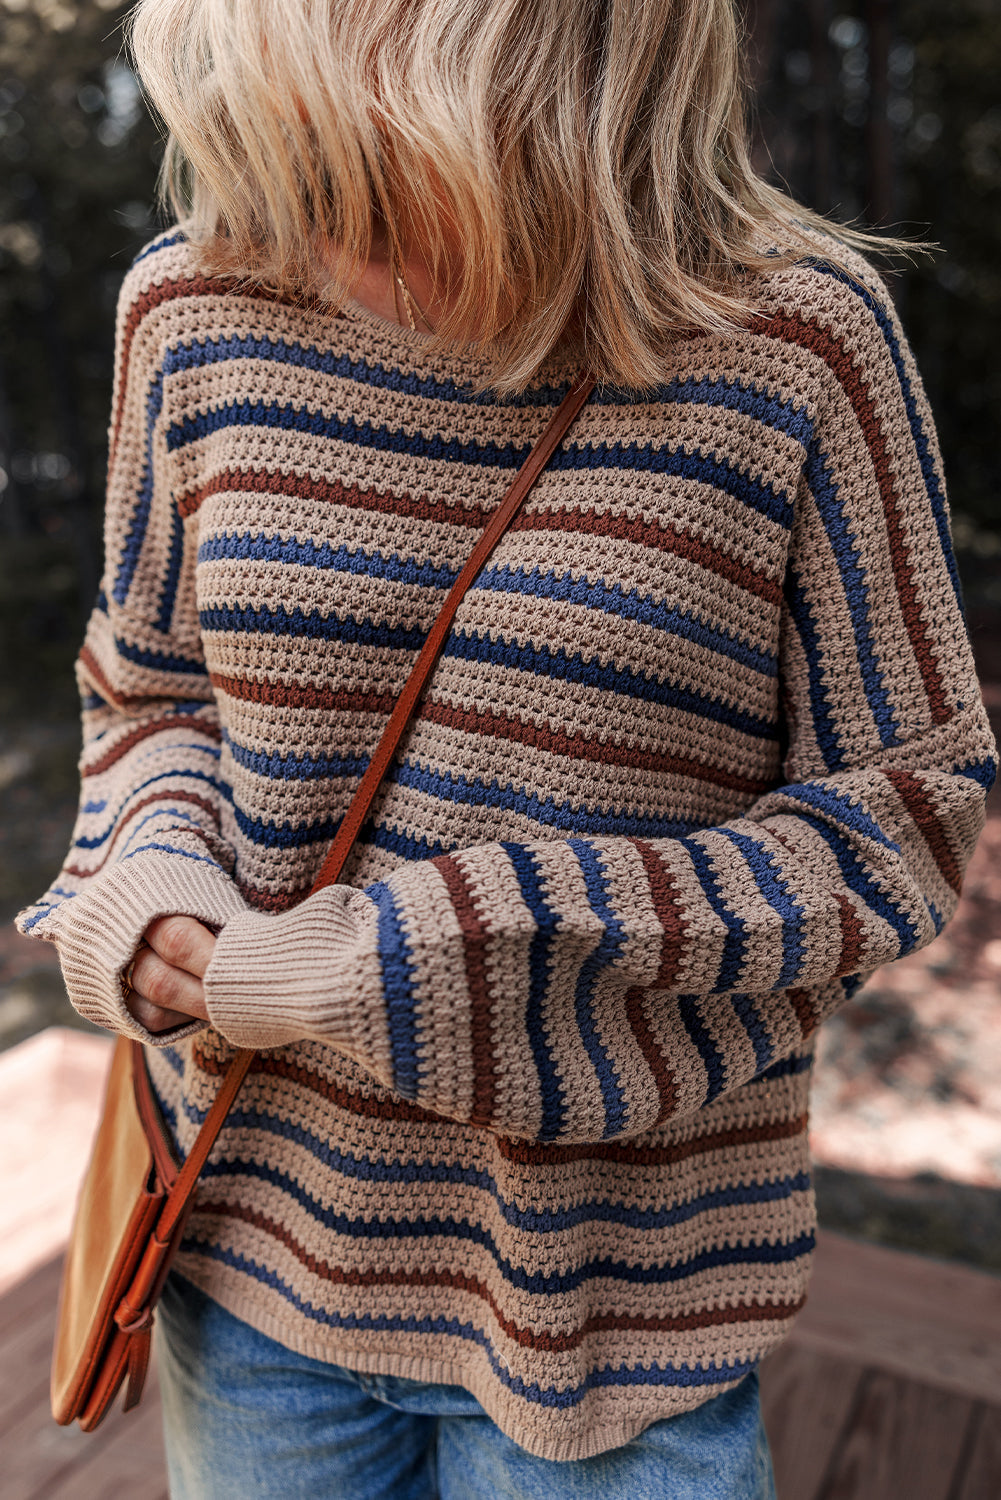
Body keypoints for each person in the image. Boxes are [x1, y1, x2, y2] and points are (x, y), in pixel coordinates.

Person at [18, 0, 997, 1495]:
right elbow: (149, 692)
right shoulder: (197, 302)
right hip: (249, 1249)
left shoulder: (795, 339)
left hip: (614, 1317)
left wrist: (425, 954)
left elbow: (903, 819)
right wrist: (149, 885)